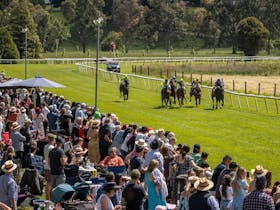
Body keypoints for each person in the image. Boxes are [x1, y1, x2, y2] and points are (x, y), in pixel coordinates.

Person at [43, 133, 56, 200]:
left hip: (46, 166)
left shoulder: (46, 146)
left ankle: (47, 197)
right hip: (50, 167)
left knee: (48, 183)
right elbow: (51, 158)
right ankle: (49, 198)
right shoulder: (51, 148)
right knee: (50, 183)